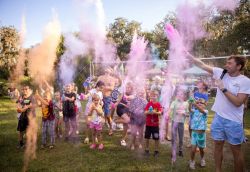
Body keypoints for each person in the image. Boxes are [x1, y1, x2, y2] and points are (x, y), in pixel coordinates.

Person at [187, 53, 250, 172]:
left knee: (236, 150)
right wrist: (189, 55)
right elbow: (202, 64)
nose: (226, 65)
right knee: (218, 146)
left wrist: (223, 88)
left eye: (230, 63)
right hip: (218, 118)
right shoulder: (221, 73)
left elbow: (238, 102)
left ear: (239, 66)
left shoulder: (245, 81)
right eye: (227, 62)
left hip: (234, 121)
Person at [169, 87, 189, 164]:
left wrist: (184, 113)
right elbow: (171, 108)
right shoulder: (174, 102)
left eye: (181, 94)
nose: (179, 96)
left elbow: (187, 114)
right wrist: (170, 112)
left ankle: (180, 150)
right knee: (174, 137)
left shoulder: (186, 103)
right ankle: (173, 151)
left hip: (181, 123)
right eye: (178, 94)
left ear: (184, 96)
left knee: (181, 137)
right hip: (174, 122)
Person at [187, 81, 209, 148]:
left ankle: (198, 144)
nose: (198, 84)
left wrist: (195, 103)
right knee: (190, 127)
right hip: (193, 112)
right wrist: (191, 96)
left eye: (200, 83)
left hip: (199, 114)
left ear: (204, 86)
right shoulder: (195, 93)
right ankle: (192, 142)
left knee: (199, 128)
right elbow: (191, 100)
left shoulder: (205, 95)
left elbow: (205, 104)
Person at [189, 97, 208, 169]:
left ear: (205, 105)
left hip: (201, 135)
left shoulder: (205, 111)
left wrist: (195, 104)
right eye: (198, 103)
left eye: (201, 103)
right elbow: (189, 109)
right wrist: (190, 103)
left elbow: (201, 110)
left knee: (201, 149)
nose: (199, 104)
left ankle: (202, 159)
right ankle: (192, 161)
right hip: (194, 133)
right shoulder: (194, 111)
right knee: (193, 149)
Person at [115, 82, 134, 146]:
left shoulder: (133, 95)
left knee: (126, 125)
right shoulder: (122, 93)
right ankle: (115, 122)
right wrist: (114, 105)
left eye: (129, 88)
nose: (127, 89)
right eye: (126, 87)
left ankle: (123, 140)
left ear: (132, 88)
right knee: (127, 121)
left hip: (128, 111)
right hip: (121, 109)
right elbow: (118, 102)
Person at [97, 68, 116, 136]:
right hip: (99, 97)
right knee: (98, 113)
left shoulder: (112, 79)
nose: (106, 72)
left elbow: (112, 88)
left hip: (107, 98)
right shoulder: (100, 77)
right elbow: (97, 86)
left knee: (108, 115)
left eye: (108, 71)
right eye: (106, 71)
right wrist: (104, 87)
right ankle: (98, 128)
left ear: (110, 72)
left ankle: (111, 128)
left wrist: (103, 87)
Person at [144, 89, 162, 157]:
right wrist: (149, 112)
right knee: (147, 137)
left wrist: (154, 112)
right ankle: (147, 149)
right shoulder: (148, 104)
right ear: (150, 96)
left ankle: (156, 150)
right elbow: (145, 112)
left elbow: (160, 113)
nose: (154, 97)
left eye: (155, 95)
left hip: (155, 125)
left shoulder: (158, 104)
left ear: (158, 96)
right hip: (148, 124)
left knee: (156, 138)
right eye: (152, 96)